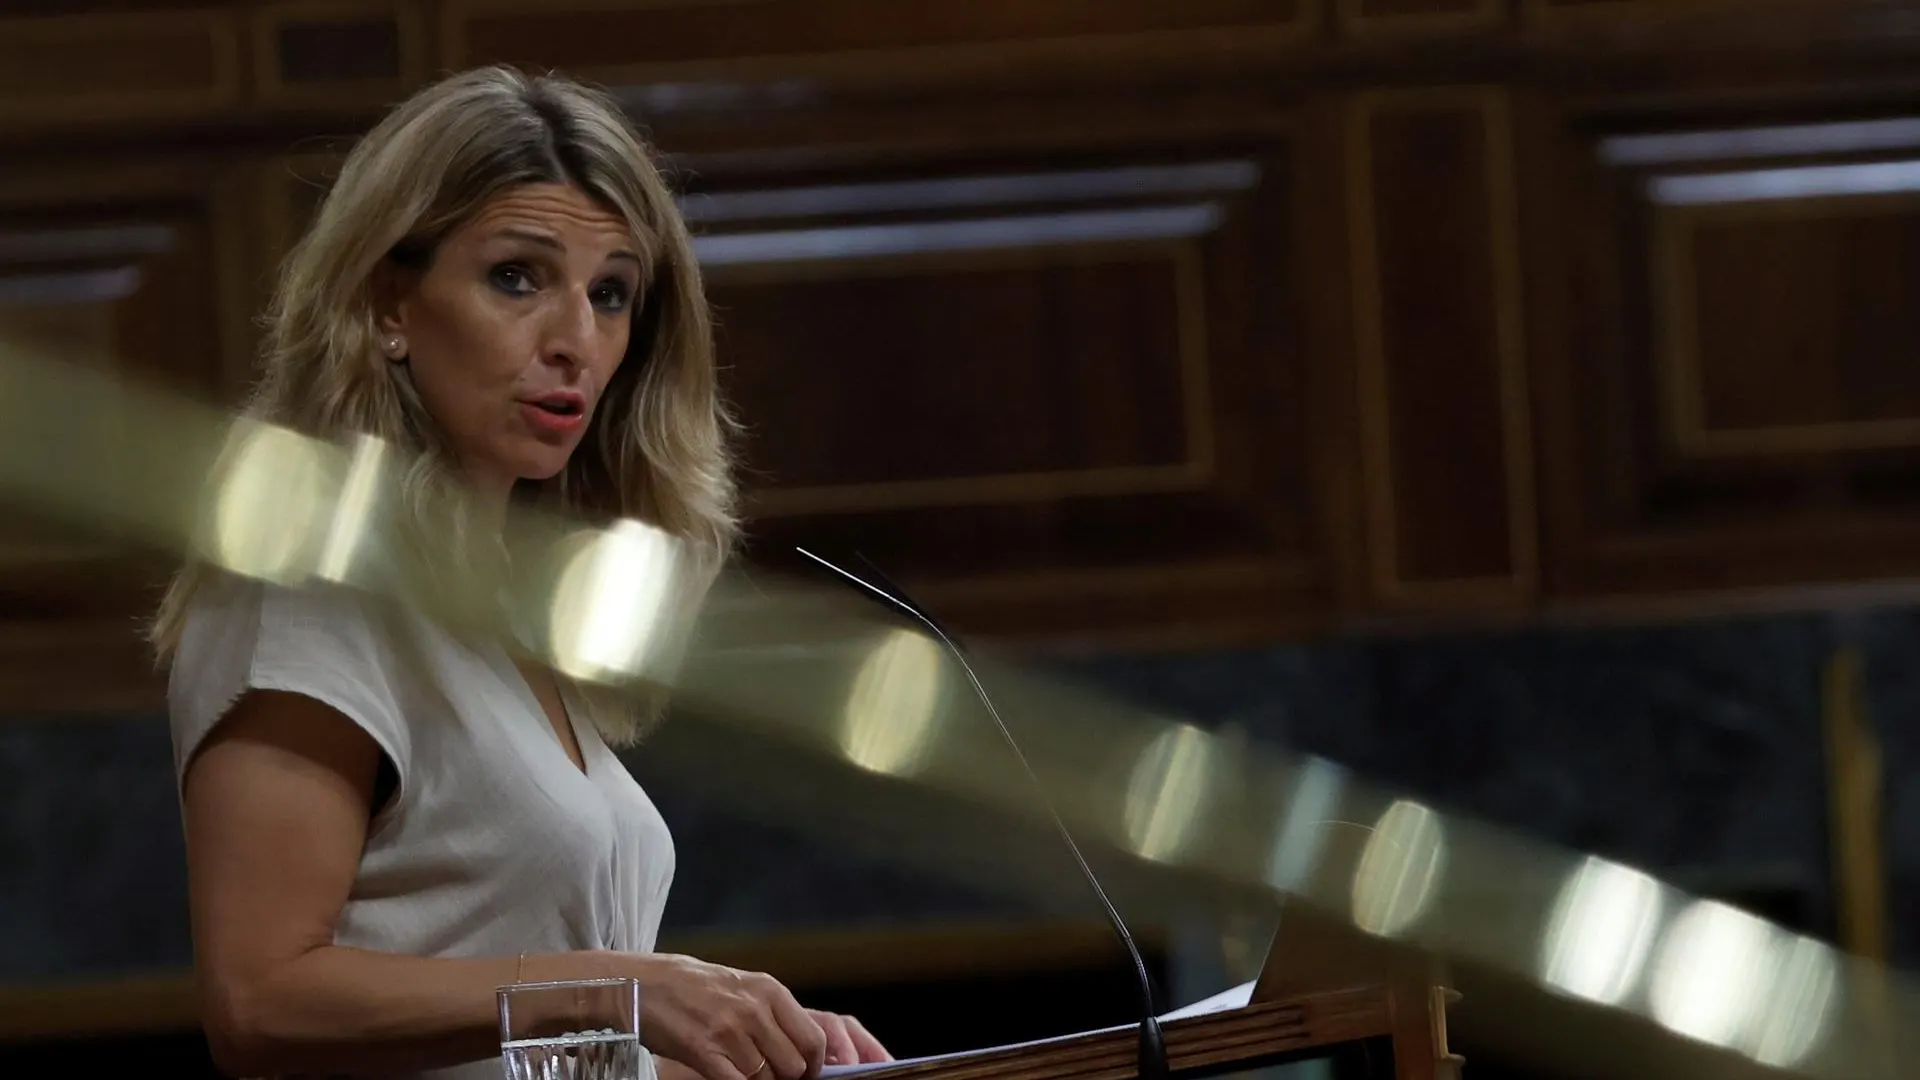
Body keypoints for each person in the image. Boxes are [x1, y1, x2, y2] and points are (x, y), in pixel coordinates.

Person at [149, 65, 891, 1080]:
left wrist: (759, 1051)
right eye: (517, 277)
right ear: (387, 304)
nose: (575, 342)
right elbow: (261, 1001)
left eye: (613, 295)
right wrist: (633, 990)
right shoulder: (307, 590)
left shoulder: (519, 623)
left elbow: (536, 1053)